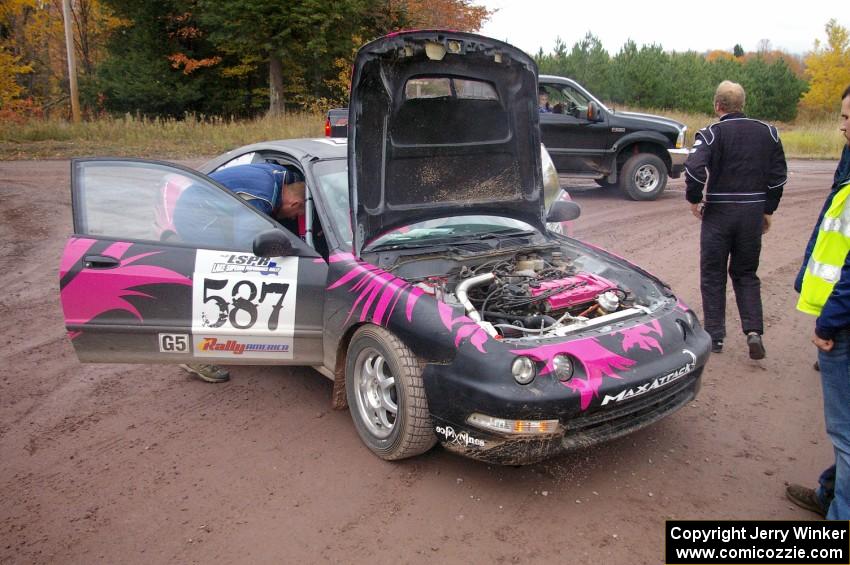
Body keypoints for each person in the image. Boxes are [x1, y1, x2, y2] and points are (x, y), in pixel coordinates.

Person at [684, 80, 788, 359]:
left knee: (713, 273)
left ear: (717, 105)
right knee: (746, 273)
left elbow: (693, 168)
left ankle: (715, 337)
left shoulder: (711, 133)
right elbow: (779, 176)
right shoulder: (769, 133)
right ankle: (754, 332)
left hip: (718, 212)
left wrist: (694, 198)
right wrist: (768, 208)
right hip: (752, 212)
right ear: (742, 104)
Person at [178, 163, 306, 383]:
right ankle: (193, 353)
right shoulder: (262, 200)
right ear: (294, 202)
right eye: (297, 213)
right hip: (194, 216)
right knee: (222, 269)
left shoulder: (282, 176)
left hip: (200, 201)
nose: (293, 218)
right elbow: (247, 245)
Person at [785, 85, 850, 519]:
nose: (843, 128)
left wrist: (828, 322)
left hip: (843, 325)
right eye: (842, 118)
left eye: (849, 119)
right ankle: (831, 493)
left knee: (845, 434)